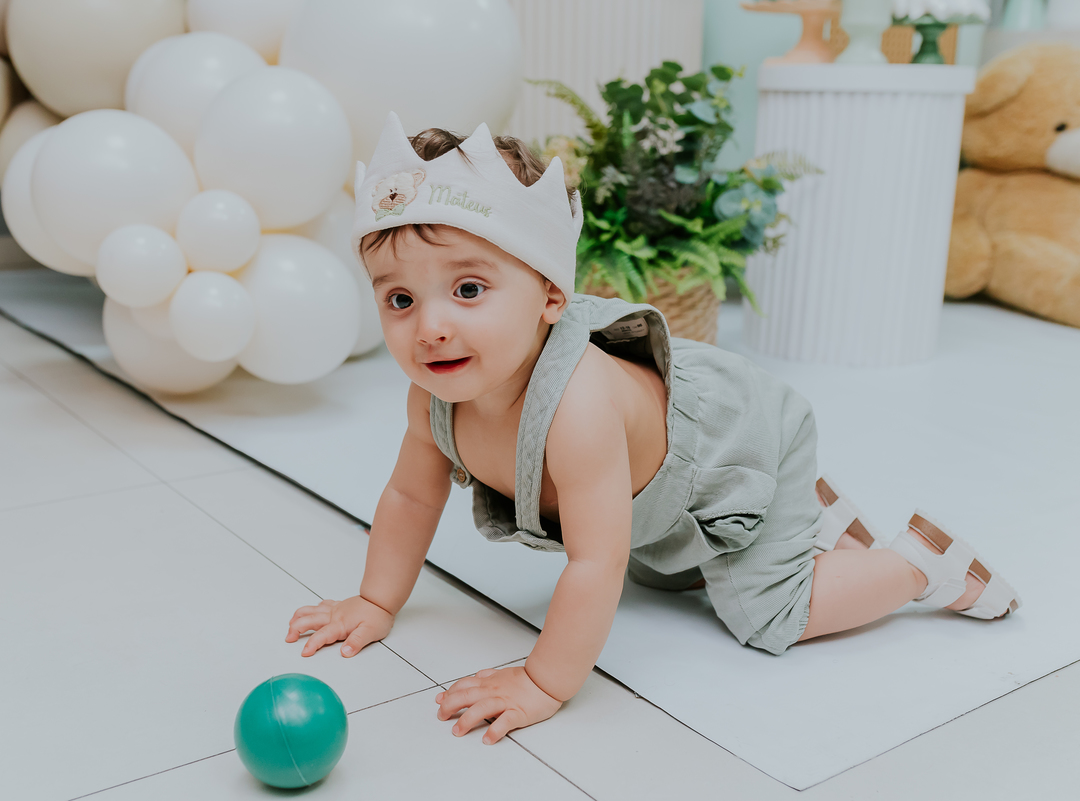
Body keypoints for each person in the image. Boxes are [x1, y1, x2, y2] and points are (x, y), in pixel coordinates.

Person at [285, 112, 1021, 746]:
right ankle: (813, 518)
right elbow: (412, 499)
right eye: (401, 298)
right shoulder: (432, 399)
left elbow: (592, 564)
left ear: (549, 293)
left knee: (770, 617)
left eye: (469, 289)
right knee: (660, 575)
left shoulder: (577, 408)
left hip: (741, 442)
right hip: (654, 493)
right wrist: (376, 599)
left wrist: (544, 681)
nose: (431, 327)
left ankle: (917, 562)